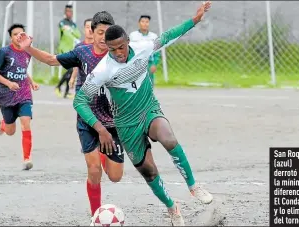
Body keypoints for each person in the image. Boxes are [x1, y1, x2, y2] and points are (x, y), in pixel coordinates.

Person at [72, 2, 213, 226]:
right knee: (149, 171)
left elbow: (168, 36)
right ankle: (171, 207)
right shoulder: (103, 71)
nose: (118, 53)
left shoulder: (144, 46)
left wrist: (195, 20)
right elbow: (79, 101)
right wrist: (100, 129)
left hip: (149, 109)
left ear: (128, 41)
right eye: (112, 49)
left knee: (168, 138)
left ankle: (194, 186)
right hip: (126, 124)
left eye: (121, 47)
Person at [17, 12, 125, 218]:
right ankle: (96, 217)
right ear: (92, 33)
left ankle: (104, 153)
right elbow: (50, 60)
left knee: (115, 176)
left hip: (112, 123)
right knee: (94, 171)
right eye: (99, 32)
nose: (103, 37)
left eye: (106, 33)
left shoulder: (119, 55)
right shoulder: (82, 53)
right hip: (87, 120)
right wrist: (28, 48)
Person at [0, 23, 40, 171]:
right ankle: (4, 124)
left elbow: (22, 70)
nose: (19, 36)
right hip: (6, 95)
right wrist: (9, 83)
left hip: (23, 93)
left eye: (21, 33)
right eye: (15, 34)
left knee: (26, 123)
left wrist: (31, 82)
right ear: (11, 38)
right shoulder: (4, 52)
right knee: (11, 131)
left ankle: (27, 159)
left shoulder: (27, 52)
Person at [55, 4, 81, 99]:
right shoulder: (62, 23)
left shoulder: (73, 24)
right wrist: (70, 32)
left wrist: (71, 31)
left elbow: (78, 34)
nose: (69, 13)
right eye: (68, 11)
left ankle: (66, 92)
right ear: (65, 12)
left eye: (71, 12)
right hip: (63, 49)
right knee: (70, 70)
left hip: (71, 49)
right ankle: (58, 87)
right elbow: (66, 34)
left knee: (70, 71)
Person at [129, 15, 161, 87]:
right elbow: (129, 51)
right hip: (136, 63)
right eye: (143, 21)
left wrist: (154, 64)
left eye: (147, 22)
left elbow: (156, 52)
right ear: (139, 23)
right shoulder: (133, 36)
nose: (145, 24)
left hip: (149, 63)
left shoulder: (154, 36)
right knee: (136, 85)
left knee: (149, 85)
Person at [69, 18, 94, 90]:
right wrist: (72, 78)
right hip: (81, 84)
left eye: (92, 27)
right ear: (84, 30)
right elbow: (76, 65)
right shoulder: (79, 47)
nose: (90, 30)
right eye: (87, 27)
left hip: (95, 86)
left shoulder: (99, 47)